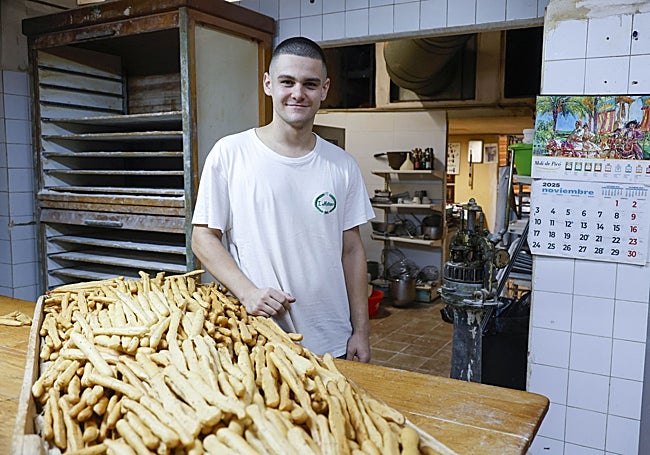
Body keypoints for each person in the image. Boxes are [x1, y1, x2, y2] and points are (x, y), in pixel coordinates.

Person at [191, 37, 375, 362]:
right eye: (287, 82)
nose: (298, 94)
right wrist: (248, 293)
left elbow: (352, 250)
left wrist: (361, 330)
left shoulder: (341, 164)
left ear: (325, 89)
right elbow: (203, 237)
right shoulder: (231, 154)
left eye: (310, 84)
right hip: (260, 339)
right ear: (268, 84)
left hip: (332, 341)